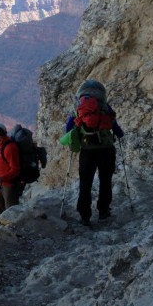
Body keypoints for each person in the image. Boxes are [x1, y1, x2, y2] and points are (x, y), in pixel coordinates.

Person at [65, 80, 124, 226]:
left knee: (85, 183)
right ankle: (103, 211)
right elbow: (117, 129)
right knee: (105, 181)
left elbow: (68, 129)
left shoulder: (78, 108)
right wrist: (118, 134)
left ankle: (85, 216)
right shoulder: (105, 107)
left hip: (87, 152)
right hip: (106, 151)